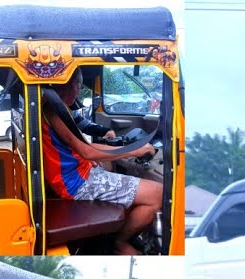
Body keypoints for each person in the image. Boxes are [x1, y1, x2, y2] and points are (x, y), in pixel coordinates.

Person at [42, 72, 164, 256]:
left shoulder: (58, 107)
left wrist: (115, 146)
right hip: (75, 182)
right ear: (66, 83)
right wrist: (134, 150)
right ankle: (120, 242)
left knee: (112, 167)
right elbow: (86, 151)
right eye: (78, 85)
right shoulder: (53, 110)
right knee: (158, 193)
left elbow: (85, 146)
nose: (78, 91)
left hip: (77, 172)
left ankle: (123, 234)